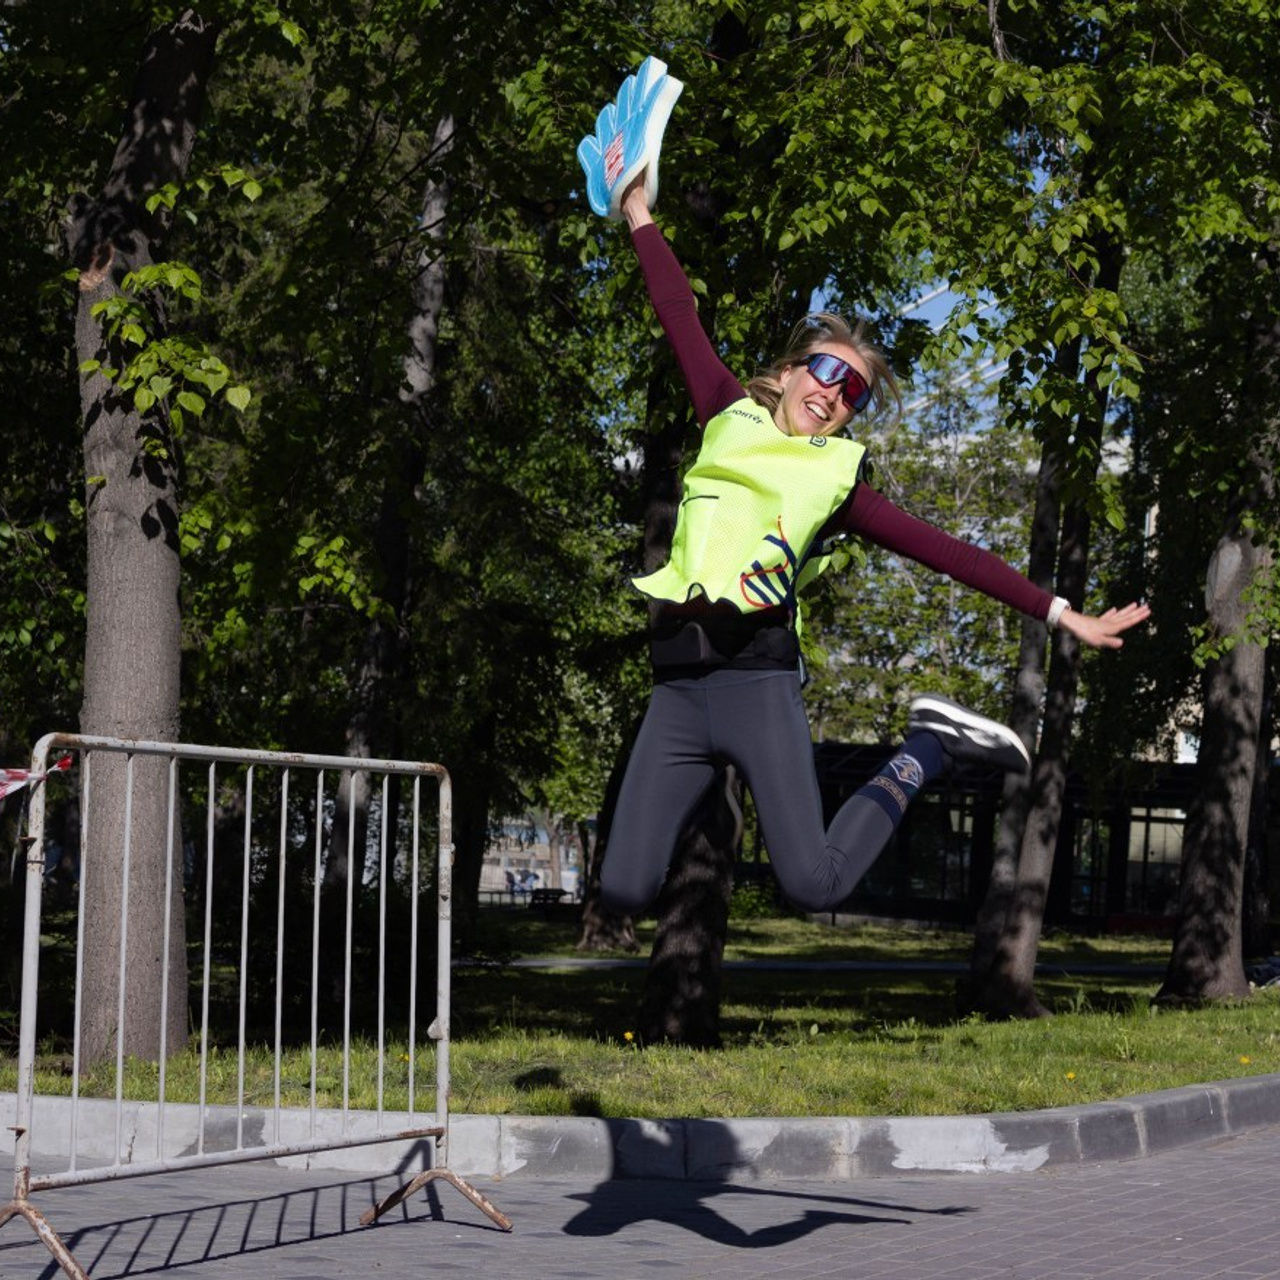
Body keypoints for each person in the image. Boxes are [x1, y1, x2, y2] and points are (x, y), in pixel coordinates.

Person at [578, 61, 1150, 918]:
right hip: (677, 688)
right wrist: (636, 209)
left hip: (757, 683)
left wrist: (1064, 615)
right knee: (623, 888)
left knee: (814, 883)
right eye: (824, 370)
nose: (834, 392)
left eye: (852, 392)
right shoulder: (726, 413)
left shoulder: (837, 479)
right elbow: (677, 312)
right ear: (787, 373)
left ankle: (927, 747)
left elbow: (952, 554)